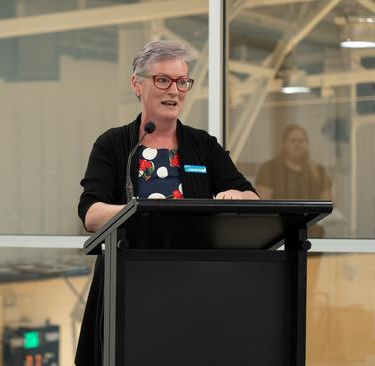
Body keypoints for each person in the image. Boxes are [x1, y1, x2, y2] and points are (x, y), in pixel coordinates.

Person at [75, 40, 259, 366]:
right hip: (128, 288)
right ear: (137, 84)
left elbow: (250, 196)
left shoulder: (203, 145)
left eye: (182, 82)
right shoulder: (114, 144)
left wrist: (236, 196)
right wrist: (144, 214)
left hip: (195, 287)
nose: (174, 90)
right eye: (163, 79)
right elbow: (91, 213)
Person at [255, 124, 332, 237]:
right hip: (280, 233)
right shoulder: (270, 168)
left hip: (313, 233)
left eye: (302, 140)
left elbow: (328, 203)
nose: (298, 144)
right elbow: (262, 204)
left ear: (307, 143)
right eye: (293, 140)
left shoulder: (318, 171)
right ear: (284, 144)